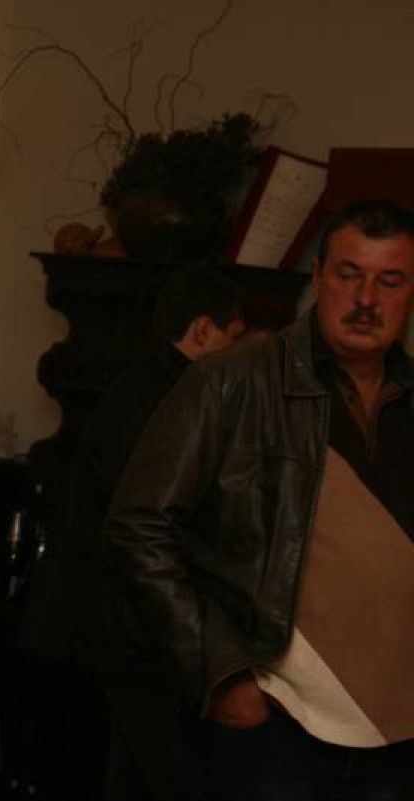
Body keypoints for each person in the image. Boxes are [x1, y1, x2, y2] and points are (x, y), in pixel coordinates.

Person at [104, 199, 414, 800]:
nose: (366, 299)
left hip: (399, 738)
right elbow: (138, 526)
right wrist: (220, 671)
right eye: (349, 274)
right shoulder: (230, 381)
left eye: (390, 280)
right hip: (279, 725)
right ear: (318, 276)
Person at [32, 266, 244, 801]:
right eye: (234, 338)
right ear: (203, 330)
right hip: (121, 630)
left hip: (111, 625)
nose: (238, 356)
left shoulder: (145, 386)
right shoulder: (167, 399)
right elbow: (145, 527)